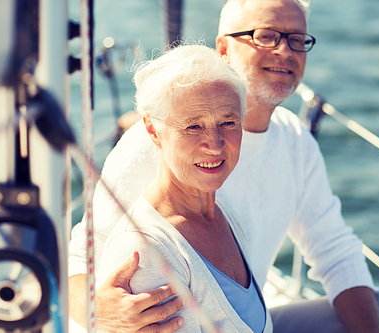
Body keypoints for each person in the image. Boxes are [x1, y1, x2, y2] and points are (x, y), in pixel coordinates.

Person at [69, 0, 379, 332]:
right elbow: (84, 252)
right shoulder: (160, 141)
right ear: (223, 49)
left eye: (297, 39)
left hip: (252, 319)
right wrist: (96, 312)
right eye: (266, 36)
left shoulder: (295, 141)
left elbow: (335, 249)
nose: (285, 51)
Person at [92, 44, 272, 332]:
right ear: (153, 130)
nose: (214, 144)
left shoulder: (226, 216)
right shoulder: (146, 252)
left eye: (228, 122)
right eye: (193, 127)